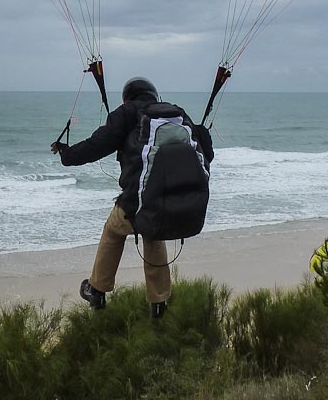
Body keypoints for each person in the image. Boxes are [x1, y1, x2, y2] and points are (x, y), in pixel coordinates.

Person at [51, 76, 214, 318]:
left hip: (137, 200)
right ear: (155, 96)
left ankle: (97, 289)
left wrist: (67, 156)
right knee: (153, 234)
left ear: (127, 98)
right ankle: (159, 303)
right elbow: (206, 151)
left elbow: (98, 144)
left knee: (113, 230)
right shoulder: (177, 114)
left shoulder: (127, 112)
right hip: (172, 198)